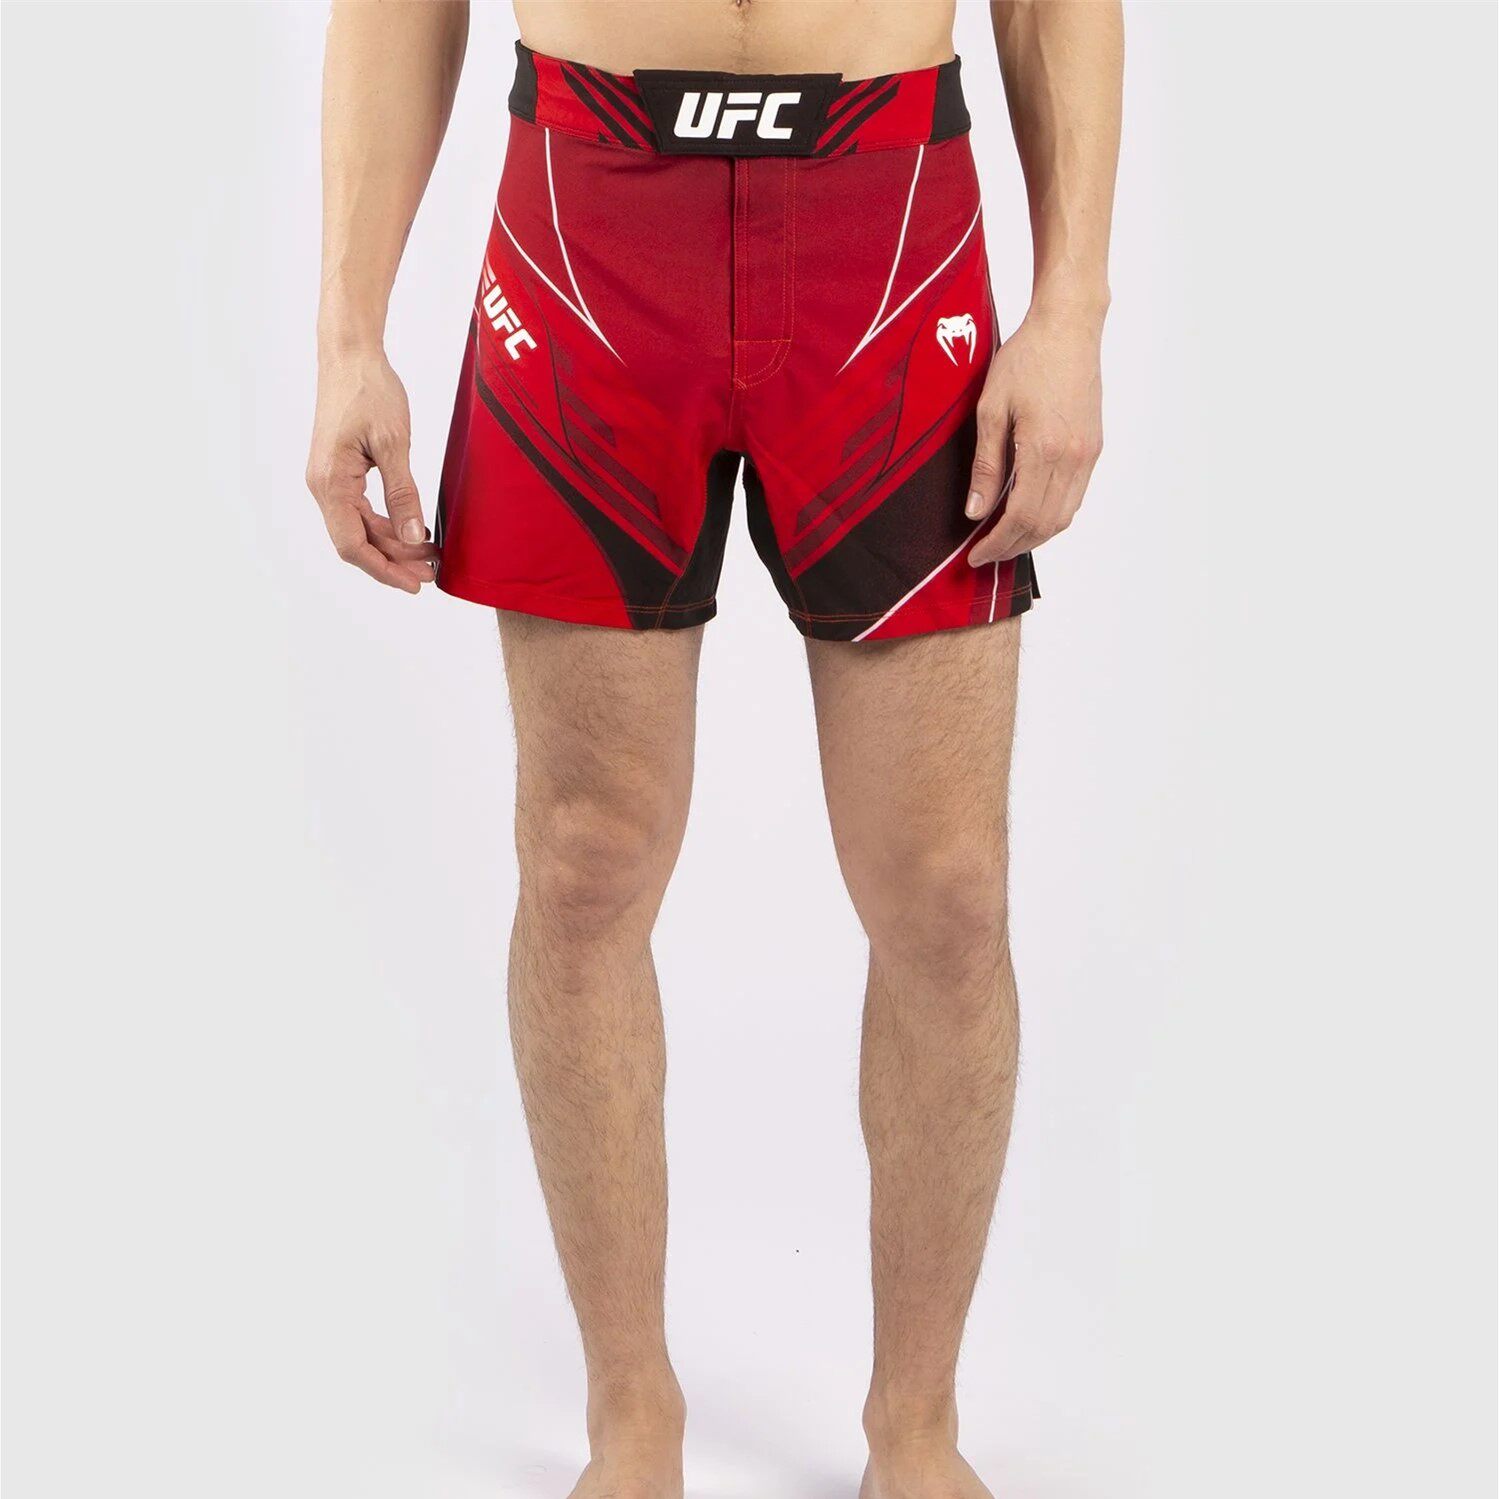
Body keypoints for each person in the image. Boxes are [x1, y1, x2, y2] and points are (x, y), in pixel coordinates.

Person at [306, 2, 1122, 1495]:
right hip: (587, 235)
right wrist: (349, 332)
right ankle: (632, 1416)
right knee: (584, 865)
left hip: (889, 238)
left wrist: (1072, 310)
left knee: (947, 893)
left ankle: (915, 1429)